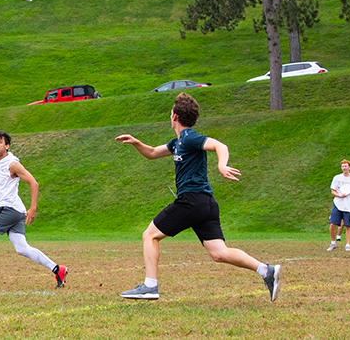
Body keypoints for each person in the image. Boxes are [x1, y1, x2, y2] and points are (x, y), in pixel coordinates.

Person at [114, 93, 282, 301]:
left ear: (174, 116)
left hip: (192, 201)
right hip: (205, 204)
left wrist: (221, 165)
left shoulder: (190, 137)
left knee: (150, 235)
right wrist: (136, 142)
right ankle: (267, 271)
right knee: (219, 253)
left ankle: (150, 286)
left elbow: (220, 146)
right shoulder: (177, 143)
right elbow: (152, 152)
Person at [0, 131, 69, 289]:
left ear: (7, 146)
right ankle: (58, 269)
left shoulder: (12, 164)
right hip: (16, 211)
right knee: (22, 248)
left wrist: (33, 209)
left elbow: (34, 183)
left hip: (8, 209)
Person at [327, 159, 350, 251]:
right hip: (338, 204)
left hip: (349, 206)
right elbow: (333, 191)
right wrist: (339, 195)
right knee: (332, 224)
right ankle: (333, 243)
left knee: (348, 225)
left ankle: (347, 245)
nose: (344, 168)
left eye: (346, 166)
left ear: (349, 167)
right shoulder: (337, 178)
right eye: (343, 166)